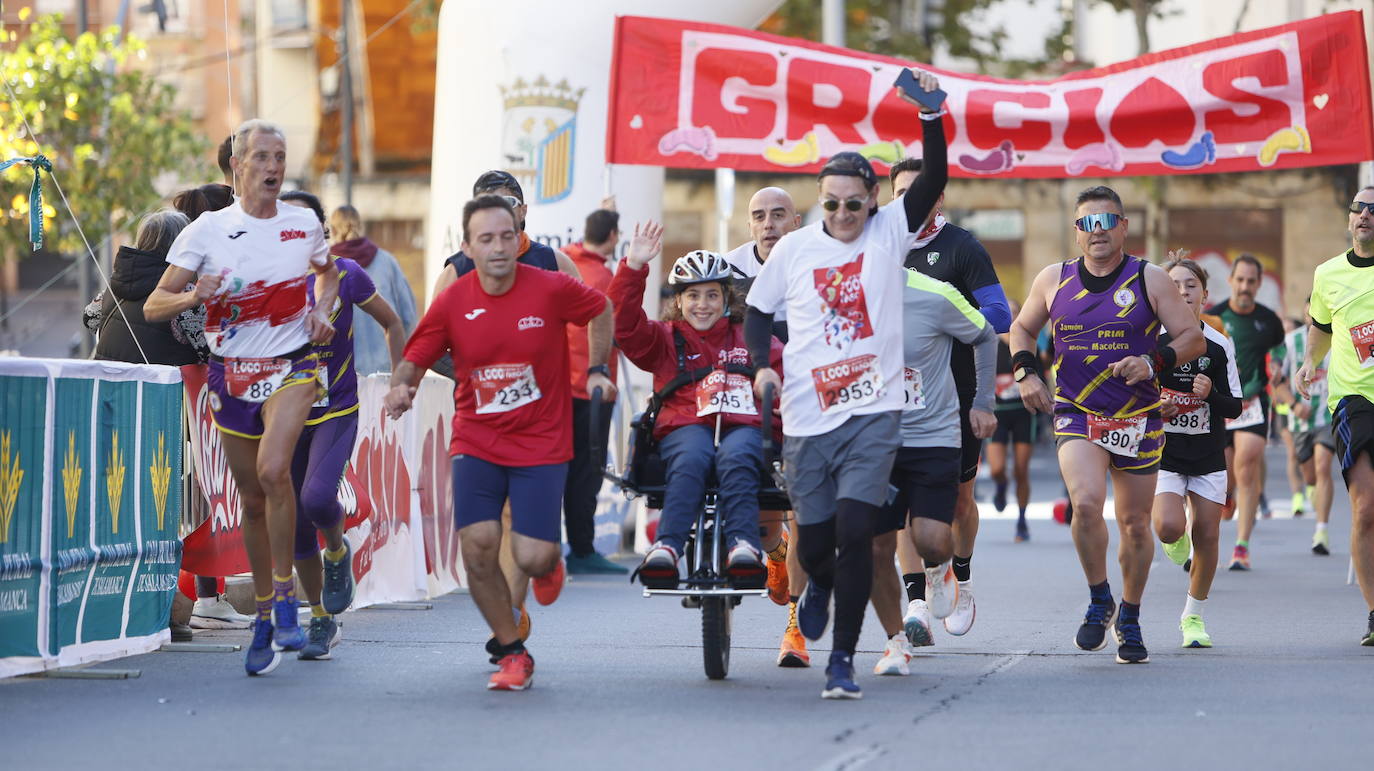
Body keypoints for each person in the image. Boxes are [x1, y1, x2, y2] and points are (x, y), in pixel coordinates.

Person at [746, 69, 948, 699]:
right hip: (808, 418)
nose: (841, 214)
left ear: (872, 201)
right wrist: (760, 363)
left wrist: (931, 116)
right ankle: (823, 586)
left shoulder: (891, 231)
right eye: (830, 203)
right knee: (819, 541)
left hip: (873, 413)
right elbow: (755, 311)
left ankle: (841, 661)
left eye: (853, 203)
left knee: (862, 531)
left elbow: (936, 178)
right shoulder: (796, 249)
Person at [384, 194, 616, 690]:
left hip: (540, 441)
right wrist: (402, 384)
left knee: (532, 557)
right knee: (479, 548)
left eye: (506, 236)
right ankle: (512, 650)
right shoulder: (454, 298)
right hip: (478, 439)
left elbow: (601, 308)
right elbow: (419, 350)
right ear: (467, 246)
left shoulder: (551, 288)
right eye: (486, 239)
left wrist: (597, 370)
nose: (498, 247)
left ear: (519, 238)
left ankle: (548, 562)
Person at [145, 119, 340, 676]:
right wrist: (191, 294)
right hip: (232, 374)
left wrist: (321, 310)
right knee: (252, 498)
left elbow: (326, 278)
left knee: (276, 471)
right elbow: (154, 306)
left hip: (293, 367)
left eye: (280, 156)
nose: (274, 167)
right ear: (237, 165)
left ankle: (282, 600)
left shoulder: (302, 225)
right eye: (261, 157)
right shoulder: (205, 231)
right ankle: (265, 614)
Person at [1011, 185, 1203, 665]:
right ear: (1077, 233)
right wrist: (1025, 371)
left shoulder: (1150, 278)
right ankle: (1101, 599)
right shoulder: (1054, 279)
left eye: (1106, 221)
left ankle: (1131, 617)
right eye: (1087, 224)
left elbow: (1192, 338)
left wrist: (1152, 360)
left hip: (1138, 417)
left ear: (1123, 226)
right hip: (1077, 412)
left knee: (1136, 525)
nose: (1097, 232)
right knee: (1087, 505)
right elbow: (1021, 328)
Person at [614, 225, 783, 589]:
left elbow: (785, 378)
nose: (702, 305)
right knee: (691, 455)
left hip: (745, 427)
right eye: (693, 296)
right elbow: (624, 327)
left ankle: (743, 546)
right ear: (679, 301)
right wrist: (633, 267)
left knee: (737, 456)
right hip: (685, 427)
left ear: (726, 298)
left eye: (711, 295)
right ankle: (667, 548)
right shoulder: (664, 338)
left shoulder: (750, 337)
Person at [280, 191, 408, 660]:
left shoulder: (347, 275)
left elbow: (394, 324)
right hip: (283, 414)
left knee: (316, 498)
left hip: (335, 409)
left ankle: (337, 551)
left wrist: (399, 381)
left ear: (321, 232)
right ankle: (320, 620)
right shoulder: (266, 283)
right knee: (294, 524)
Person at [889, 156, 1010, 638]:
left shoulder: (962, 248)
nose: (911, 200)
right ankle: (918, 603)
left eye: (920, 190)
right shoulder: (876, 248)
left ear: (938, 197)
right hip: (890, 399)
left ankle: (962, 575)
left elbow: (998, 315)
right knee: (897, 504)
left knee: (957, 504)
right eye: (900, 193)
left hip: (952, 396)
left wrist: (942, 316)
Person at [870, 265, 997, 676]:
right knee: (876, 545)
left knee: (933, 537)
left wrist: (983, 402)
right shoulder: (841, 291)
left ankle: (944, 569)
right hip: (874, 437)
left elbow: (986, 332)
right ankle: (898, 637)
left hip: (932, 433)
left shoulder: (936, 292)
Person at [723, 186, 807, 663]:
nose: (770, 223)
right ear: (750, 224)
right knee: (764, 521)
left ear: (796, 223)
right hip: (751, 401)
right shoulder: (730, 269)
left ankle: (795, 627)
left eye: (779, 215)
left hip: (808, 402)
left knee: (803, 512)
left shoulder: (818, 259)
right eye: (760, 216)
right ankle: (776, 555)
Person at [167, 181, 256, 630]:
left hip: (197, 404)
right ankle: (206, 598)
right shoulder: (193, 269)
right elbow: (195, 333)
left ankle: (211, 596)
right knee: (208, 495)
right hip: (196, 404)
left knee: (211, 495)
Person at [1296, 186, 1374, 646]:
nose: (1365, 214)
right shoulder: (1328, 274)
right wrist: (1309, 362)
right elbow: (1320, 328)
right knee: (1364, 509)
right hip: (1353, 399)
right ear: (1349, 221)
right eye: (1359, 208)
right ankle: (1373, 612)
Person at [1153, 257, 1242, 649]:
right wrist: (1156, 405)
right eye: (1175, 285)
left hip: (1207, 454)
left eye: (1191, 285)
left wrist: (1211, 396)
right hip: (1165, 453)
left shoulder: (1219, 345)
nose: (1183, 292)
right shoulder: (1152, 342)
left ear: (1204, 295)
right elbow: (1131, 396)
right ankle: (1175, 543)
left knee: (1208, 533)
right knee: (1169, 526)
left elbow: (1235, 406)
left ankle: (1193, 617)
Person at [558, 207, 628, 575]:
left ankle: (551, 548)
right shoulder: (603, 276)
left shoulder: (564, 262)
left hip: (559, 388)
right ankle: (582, 550)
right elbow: (617, 329)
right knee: (586, 472)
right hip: (592, 389)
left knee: (558, 470)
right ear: (613, 237)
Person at [1207, 255, 1284, 570]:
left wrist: (1278, 363)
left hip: (1252, 402)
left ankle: (1241, 547)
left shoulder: (1268, 321)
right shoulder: (1214, 317)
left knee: (1248, 461)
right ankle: (1225, 501)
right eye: (1240, 280)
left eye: (1251, 281)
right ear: (1231, 281)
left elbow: (1280, 347)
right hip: (1222, 403)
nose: (1245, 287)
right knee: (1224, 476)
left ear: (1259, 283)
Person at [431, 170, 582, 296]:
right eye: (487, 204)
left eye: (508, 202)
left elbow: (590, 317)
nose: (498, 211)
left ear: (523, 212)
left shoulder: (554, 263)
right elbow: (434, 329)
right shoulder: (456, 271)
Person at [328, 204, 419, 376]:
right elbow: (408, 317)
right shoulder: (387, 261)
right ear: (360, 226)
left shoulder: (324, 268)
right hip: (386, 369)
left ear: (331, 231)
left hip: (342, 373)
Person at [1277, 298, 1336, 554]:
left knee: (1324, 466)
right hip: (1299, 420)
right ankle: (1311, 490)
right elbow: (1277, 382)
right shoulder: (1291, 342)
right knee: (1310, 475)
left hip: (1327, 416)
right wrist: (1293, 404)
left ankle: (1321, 530)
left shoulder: (1338, 340)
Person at [988, 300, 1036, 542]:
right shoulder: (989, 341)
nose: (1009, 317)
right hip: (997, 412)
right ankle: (1000, 485)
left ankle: (1022, 520)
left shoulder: (1027, 342)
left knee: (1021, 469)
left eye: (1014, 313)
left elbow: (1043, 367)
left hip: (1023, 413)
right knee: (997, 469)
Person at [723, 187, 801, 285]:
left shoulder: (815, 261)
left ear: (796, 222)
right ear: (750, 227)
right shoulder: (727, 270)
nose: (768, 225)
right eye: (759, 217)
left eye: (777, 215)